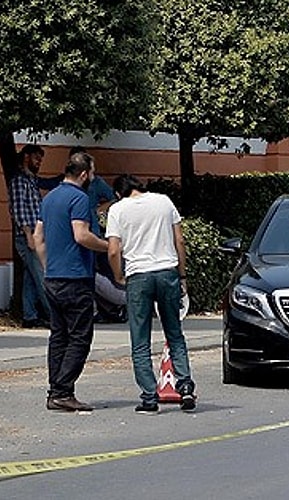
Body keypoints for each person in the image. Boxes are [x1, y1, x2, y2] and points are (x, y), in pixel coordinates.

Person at [106, 174, 196, 413]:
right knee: (174, 334)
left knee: (140, 339)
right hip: (167, 272)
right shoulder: (164, 202)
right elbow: (179, 240)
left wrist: (118, 276)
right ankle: (185, 387)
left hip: (138, 276)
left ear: (118, 193)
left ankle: (149, 397)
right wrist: (182, 275)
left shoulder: (117, 210)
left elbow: (114, 250)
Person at [33, 151, 109, 412]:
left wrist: (47, 266)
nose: (94, 177)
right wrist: (108, 247)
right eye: (94, 172)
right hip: (76, 277)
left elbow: (37, 238)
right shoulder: (79, 198)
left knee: (59, 336)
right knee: (80, 337)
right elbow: (82, 235)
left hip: (53, 277)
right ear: (85, 173)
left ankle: (55, 391)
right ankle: (63, 391)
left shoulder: (50, 197)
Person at [66, 146, 123, 322]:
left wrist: (99, 210)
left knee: (95, 276)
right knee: (90, 277)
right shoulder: (75, 195)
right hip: (86, 239)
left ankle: (107, 308)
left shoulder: (95, 185)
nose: (93, 175)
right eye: (92, 171)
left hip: (94, 236)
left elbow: (114, 197)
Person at [6, 144, 51, 328]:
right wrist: (29, 235)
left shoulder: (31, 180)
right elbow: (18, 210)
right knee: (41, 276)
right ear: (26, 157)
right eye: (36, 158)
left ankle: (30, 315)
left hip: (35, 235)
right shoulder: (19, 181)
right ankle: (53, 315)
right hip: (29, 236)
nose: (39, 162)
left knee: (31, 277)